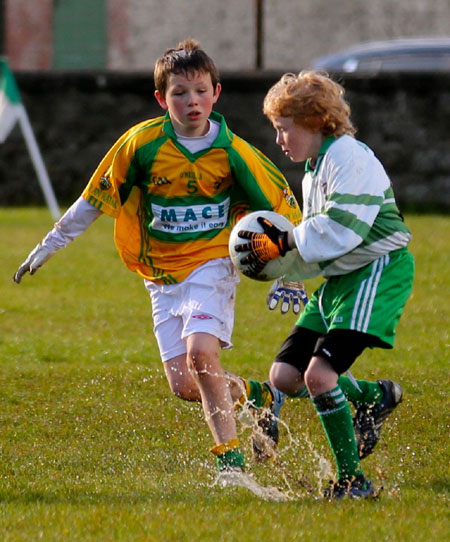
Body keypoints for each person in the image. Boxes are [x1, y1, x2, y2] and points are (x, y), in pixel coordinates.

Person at [13, 39, 303, 496]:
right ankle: (263, 395)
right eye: (180, 93)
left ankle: (231, 465)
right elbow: (94, 199)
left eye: (201, 91)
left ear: (217, 93)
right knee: (187, 385)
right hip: (160, 277)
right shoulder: (141, 145)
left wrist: (288, 273)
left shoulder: (233, 153)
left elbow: (283, 213)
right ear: (160, 99)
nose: (192, 102)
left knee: (201, 356)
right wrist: (49, 245)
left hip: (212, 265)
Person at [235, 70, 414, 499]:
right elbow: (318, 240)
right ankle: (374, 396)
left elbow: (342, 228)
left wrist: (284, 242)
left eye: (283, 129)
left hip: (377, 270)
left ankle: (352, 482)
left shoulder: (349, 157)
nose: (279, 140)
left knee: (318, 375)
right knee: (285, 377)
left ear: (314, 122)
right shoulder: (315, 168)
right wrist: (277, 266)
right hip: (342, 277)